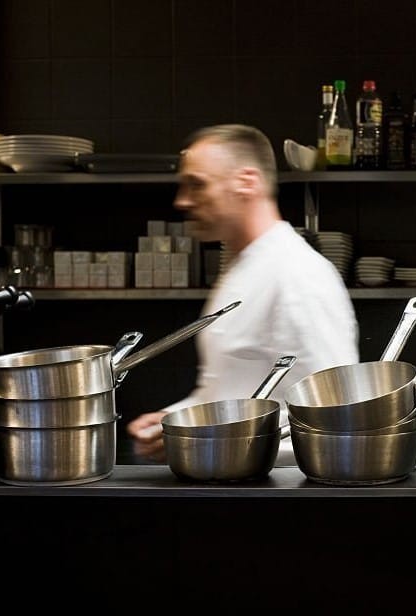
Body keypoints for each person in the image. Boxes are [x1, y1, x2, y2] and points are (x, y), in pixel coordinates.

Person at [127, 124, 359, 461]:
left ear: (246, 182)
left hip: (280, 497)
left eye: (197, 184)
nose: (182, 201)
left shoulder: (296, 274)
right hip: (234, 485)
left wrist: (208, 442)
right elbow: (229, 390)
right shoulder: (243, 267)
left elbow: (335, 422)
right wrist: (179, 420)